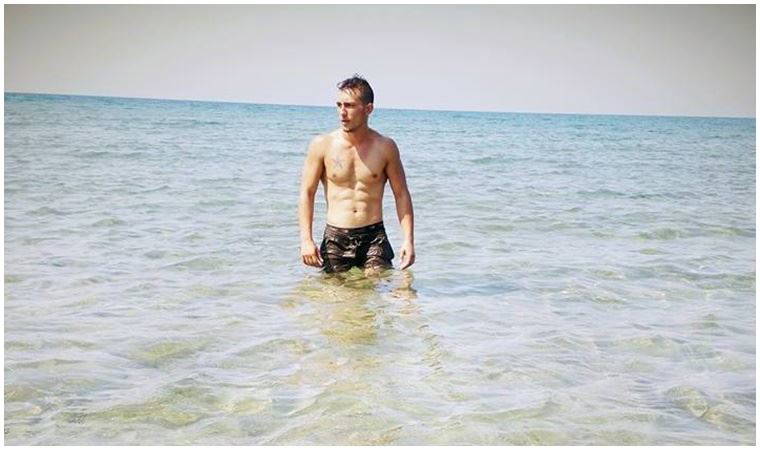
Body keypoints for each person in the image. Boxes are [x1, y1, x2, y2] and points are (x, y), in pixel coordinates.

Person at [298, 75, 415, 274]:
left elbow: (401, 194)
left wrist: (408, 240)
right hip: (335, 238)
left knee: (378, 289)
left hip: (374, 238)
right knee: (335, 293)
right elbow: (307, 193)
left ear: (368, 109)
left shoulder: (385, 147)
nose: (342, 112)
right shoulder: (322, 145)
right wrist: (306, 240)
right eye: (339, 105)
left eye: (350, 106)